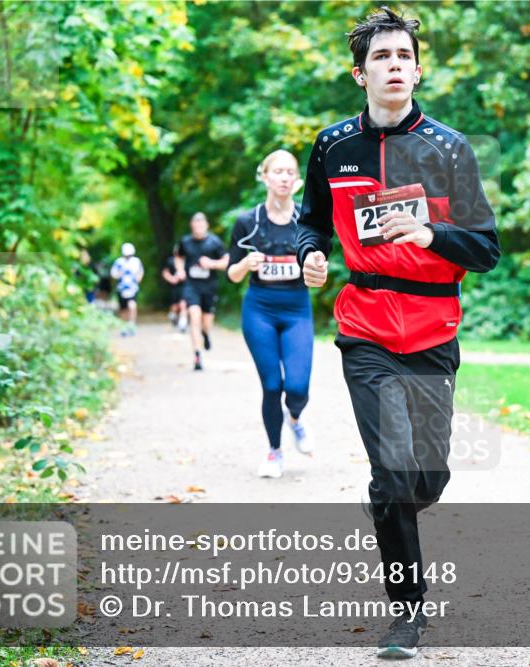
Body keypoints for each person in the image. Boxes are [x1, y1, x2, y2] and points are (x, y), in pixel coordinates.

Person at [296, 6, 500, 659]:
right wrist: (311, 252)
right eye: (380, 57)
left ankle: (394, 500)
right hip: (366, 327)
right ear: (360, 72)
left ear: (417, 68)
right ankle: (407, 615)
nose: (393, 67)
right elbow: (313, 219)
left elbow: (486, 248)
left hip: (435, 325)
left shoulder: (449, 148)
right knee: (391, 478)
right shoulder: (332, 146)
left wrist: (431, 233)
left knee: (425, 479)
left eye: (403, 57)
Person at [227, 150, 315, 479]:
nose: (283, 177)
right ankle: (274, 451)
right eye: (276, 171)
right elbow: (231, 274)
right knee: (271, 384)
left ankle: (295, 418)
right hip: (259, 308)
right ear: (264, 176)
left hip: (297, 310)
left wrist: (314, 265)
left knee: (297, 387)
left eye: (289, 172)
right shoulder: (247, 223)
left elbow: (319, 265)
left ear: (297, 181)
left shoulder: (306, 221)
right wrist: (244, 264)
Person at [175, 212, 229, 371]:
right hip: (191, 286)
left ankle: (205, 334)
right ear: (192, 226)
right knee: (194, 317)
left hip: (209, 287)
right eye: (195, 224)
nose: (198, 227)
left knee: (206, 323)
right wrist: (180, 271)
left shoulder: (214, 242)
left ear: (206, 225)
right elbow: (178, 256)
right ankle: (197, 355)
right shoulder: (185, 242)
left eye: (201, 224)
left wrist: (212, 263)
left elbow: (226, 262)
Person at [110, 242, 144, 337]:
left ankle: (132, 324)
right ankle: (124, 326)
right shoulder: (119, 262)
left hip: (133, 288)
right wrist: (119, 275)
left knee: (132, 305)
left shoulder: (136, 261)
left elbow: (140, 272)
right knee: (123, 309)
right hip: (122, 289)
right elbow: (113, 274)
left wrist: (138, 280)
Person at [161, 245, 187, 332]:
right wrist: (171, 279)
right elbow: (165, 272)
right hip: (174, 287)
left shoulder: (187, 260)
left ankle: (182, 324)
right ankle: (173, 316)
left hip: (185, 286)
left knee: (183, 304)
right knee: (175, 306)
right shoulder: (170, 261)